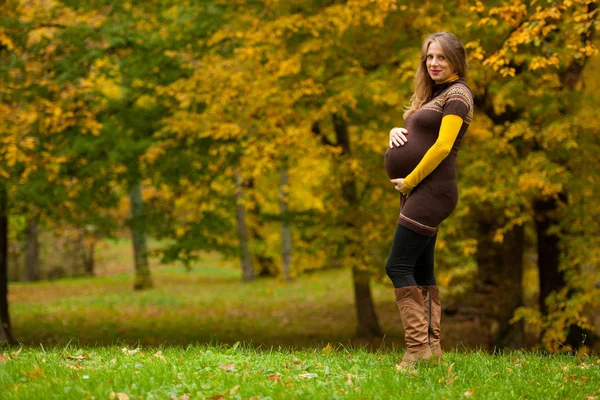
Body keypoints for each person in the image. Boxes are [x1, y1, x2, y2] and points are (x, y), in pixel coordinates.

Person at [383, 31, 474, 368]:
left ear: (455, 60)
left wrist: (410, 180)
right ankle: (432, 351)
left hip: (432, 191)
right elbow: (421, 134)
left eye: (441, 57)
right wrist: (396, 132)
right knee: (421, 268)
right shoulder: (436, 95)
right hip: (421, 190)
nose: (434, 63)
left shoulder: (459, 95)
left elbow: (442, 146)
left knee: (397, 265)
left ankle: (416, 349)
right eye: (430, 57)